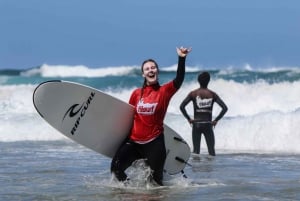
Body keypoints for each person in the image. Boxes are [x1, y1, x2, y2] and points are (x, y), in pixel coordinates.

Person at [110, 47, 192, 186]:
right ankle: (129, 192)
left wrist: (181, 58)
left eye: (153, 67)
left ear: (157, 71)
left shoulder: (164, 91)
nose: (151, 70)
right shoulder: (136, 94)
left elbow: (179, 79)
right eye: (147, 69)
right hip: (134, 142)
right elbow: (130, 118)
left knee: (155, 183)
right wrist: (123, 141)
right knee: (115, 169)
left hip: (155, 144)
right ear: (143, 74)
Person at [180, 71, 227, 157]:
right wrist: (216, 120)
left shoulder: (193, 93)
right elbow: (224, 108)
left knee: (196, 151)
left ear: (198, 81)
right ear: (209, 81)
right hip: (208, 125)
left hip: (196, 125)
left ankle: (196, 169)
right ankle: (211, 170)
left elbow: (182, 107)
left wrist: (189, 119)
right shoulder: (212, 94)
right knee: (211, 151)